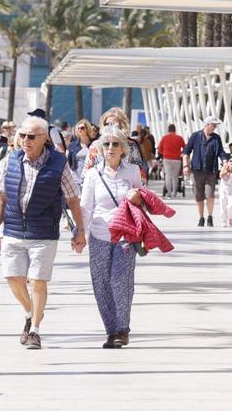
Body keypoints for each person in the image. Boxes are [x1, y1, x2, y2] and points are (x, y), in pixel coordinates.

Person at [0, 115, 86, 350]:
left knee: (38, 282)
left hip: (43, 233)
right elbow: (0, 198)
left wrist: (79, 230)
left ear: (44, 138)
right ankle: (30, 313)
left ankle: (34, 330)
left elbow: (73, 199)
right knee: (13, 278)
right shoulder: (12, 160)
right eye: (22, 135)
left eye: (31, 136)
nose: (25, 140)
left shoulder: (58, 163)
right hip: (12, 230)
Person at [80, 125, 143, 348]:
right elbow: (86, 207)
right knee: (101, 283)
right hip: (98, 234)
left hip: (125, 236)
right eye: (106, 144)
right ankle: (110, 330)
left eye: (115, 144)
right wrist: (80, 234)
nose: (110, 148)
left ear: (123, 148)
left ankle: (122, 329)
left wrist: (138, 198)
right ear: (100, 148)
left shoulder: (132, 172)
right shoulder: (92, 175)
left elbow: (142, 202)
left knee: (121, 281)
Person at [183, 117, 227, 227]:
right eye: (213, 125)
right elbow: (186, 151)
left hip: (211, 171)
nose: (215, 127)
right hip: (197, 171)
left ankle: (210, 217)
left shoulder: (216, 138)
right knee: (199, 195)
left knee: (210, 194)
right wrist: (185, 166)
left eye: (216, 125)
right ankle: (201, 217)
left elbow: (221, 152)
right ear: (207, 124)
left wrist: (225, 162)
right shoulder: (195, 136)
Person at [157, 124, 184, 198]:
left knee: (168, 176)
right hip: (177, 159)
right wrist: (180, 153)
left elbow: (159, 149)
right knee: (175, 177)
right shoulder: (179, 138)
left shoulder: (164, 138)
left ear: (168, 130)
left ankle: (169, 193)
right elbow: (185, 147)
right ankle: (174, 192)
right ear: (175, 130)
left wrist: (164, 153)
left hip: (167, 159)